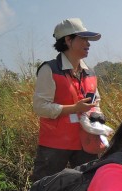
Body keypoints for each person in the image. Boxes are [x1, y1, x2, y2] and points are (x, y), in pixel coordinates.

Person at [32, 18, 104, 182]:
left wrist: (97, 115)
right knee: (44, 188)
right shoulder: (49, 69)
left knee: (88, 186)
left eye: (88, 40)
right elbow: (40, 107)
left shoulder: (90, 73)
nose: (88, 44)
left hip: (86, 142)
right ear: (68, 40)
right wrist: (74, 108)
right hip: (54, 145)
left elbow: (96, 102)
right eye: (83, 39)